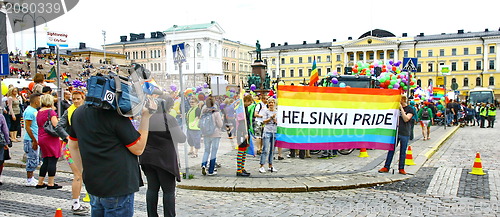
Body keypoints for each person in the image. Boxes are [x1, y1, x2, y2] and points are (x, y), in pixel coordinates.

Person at [68, 92, 156, 216]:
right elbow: (138, 148)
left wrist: (83, 170)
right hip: (118, 185)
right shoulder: (114, 115)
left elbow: (73, 145)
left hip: (94, 183)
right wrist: (146, 117)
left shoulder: (78, 113)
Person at [140, 95, 186, 217]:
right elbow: (181, 138)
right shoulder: (169, 118)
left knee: (152, 189)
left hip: (148, 157)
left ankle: (152, 215)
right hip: (165, 160)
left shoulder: (146, 118)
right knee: (168, 191)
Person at [55, 91, 89, 215]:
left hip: (82, 147)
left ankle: (79, 202)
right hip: (70, 148)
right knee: (78, 175)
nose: (75, 101)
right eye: (74, 99)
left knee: (82, 175)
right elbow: (58, 127)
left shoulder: (87, 111)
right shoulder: (68, 111)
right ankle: (75, 204)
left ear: (83, 99)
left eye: (78, 99)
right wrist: (68, 138)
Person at [379, 95, 414, 175]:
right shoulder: (395, 109)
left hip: (404, 132)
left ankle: (401, 168)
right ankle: (386, 166)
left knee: (403, 151)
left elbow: (406, 119)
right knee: (391, 150)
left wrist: (401, 108)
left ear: (403, 100)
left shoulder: (410, 109)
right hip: (395, 132)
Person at [35, 94, 62, 189]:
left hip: (41, 136)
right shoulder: (50, 112)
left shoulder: (39, 112)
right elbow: (56, 125)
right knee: (53, 159)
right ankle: (51, 182)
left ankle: (40, 181)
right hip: (50, 137)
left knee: (45, 160)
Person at [200, 96, 223, 176]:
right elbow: (220, 124)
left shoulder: (203, 111)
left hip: (206, 134)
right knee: (213, 152)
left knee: (206, 150)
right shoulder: (216, 112)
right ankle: (211, 170)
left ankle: (203, 164)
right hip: (215, 134)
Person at [22, 93, 42, 187]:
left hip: (35, 137)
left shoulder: (34, 110)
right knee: (31, 158)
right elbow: (28, 127)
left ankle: (32, 177)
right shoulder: (30, 111)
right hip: (30, 139)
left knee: (35, 158)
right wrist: (34, 139)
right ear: (36, 101)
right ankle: (29, 179)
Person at [236, 95, 253, 177]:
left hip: (245, 131)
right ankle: (239, 169)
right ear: (246, 101)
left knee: (244, 151)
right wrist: (244, 133)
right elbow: (242, 121)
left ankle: (242, 168)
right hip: (242, 132)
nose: (250, 104)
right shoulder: (241, 109)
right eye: (250, 102)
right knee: (241, 150)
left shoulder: (245, 108)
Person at [259, 98, 278, 173]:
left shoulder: (277, 112)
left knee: (272, 150)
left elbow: (278, 122)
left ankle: (270, 165)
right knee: (265, 149)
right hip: (267, 131)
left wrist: (275, 121)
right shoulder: (265, 111)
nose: (271, 104)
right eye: (270, 103)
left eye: (272, 103)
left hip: (274, 131)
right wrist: (271, 118)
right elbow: (264, 121)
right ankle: (262, 165)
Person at [0, 111, 11, 185]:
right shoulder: (1, 116)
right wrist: (7, 142)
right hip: (0, 142)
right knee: (0, 160)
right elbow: (5, 131)